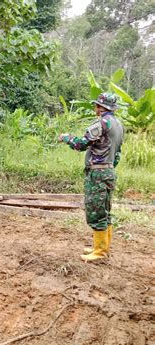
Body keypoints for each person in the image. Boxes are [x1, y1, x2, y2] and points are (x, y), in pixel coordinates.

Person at [58, 93, 123, 262]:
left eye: (96, 106)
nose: (95, 109)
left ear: (101, 107)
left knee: (96, 211)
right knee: (105, 210)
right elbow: (118, 155)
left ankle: (100, 252)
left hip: (98, 173)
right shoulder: (118, 124)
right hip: (109, 172)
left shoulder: (102, 123)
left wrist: (67, 138)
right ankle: (101, 247)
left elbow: (81, 144)